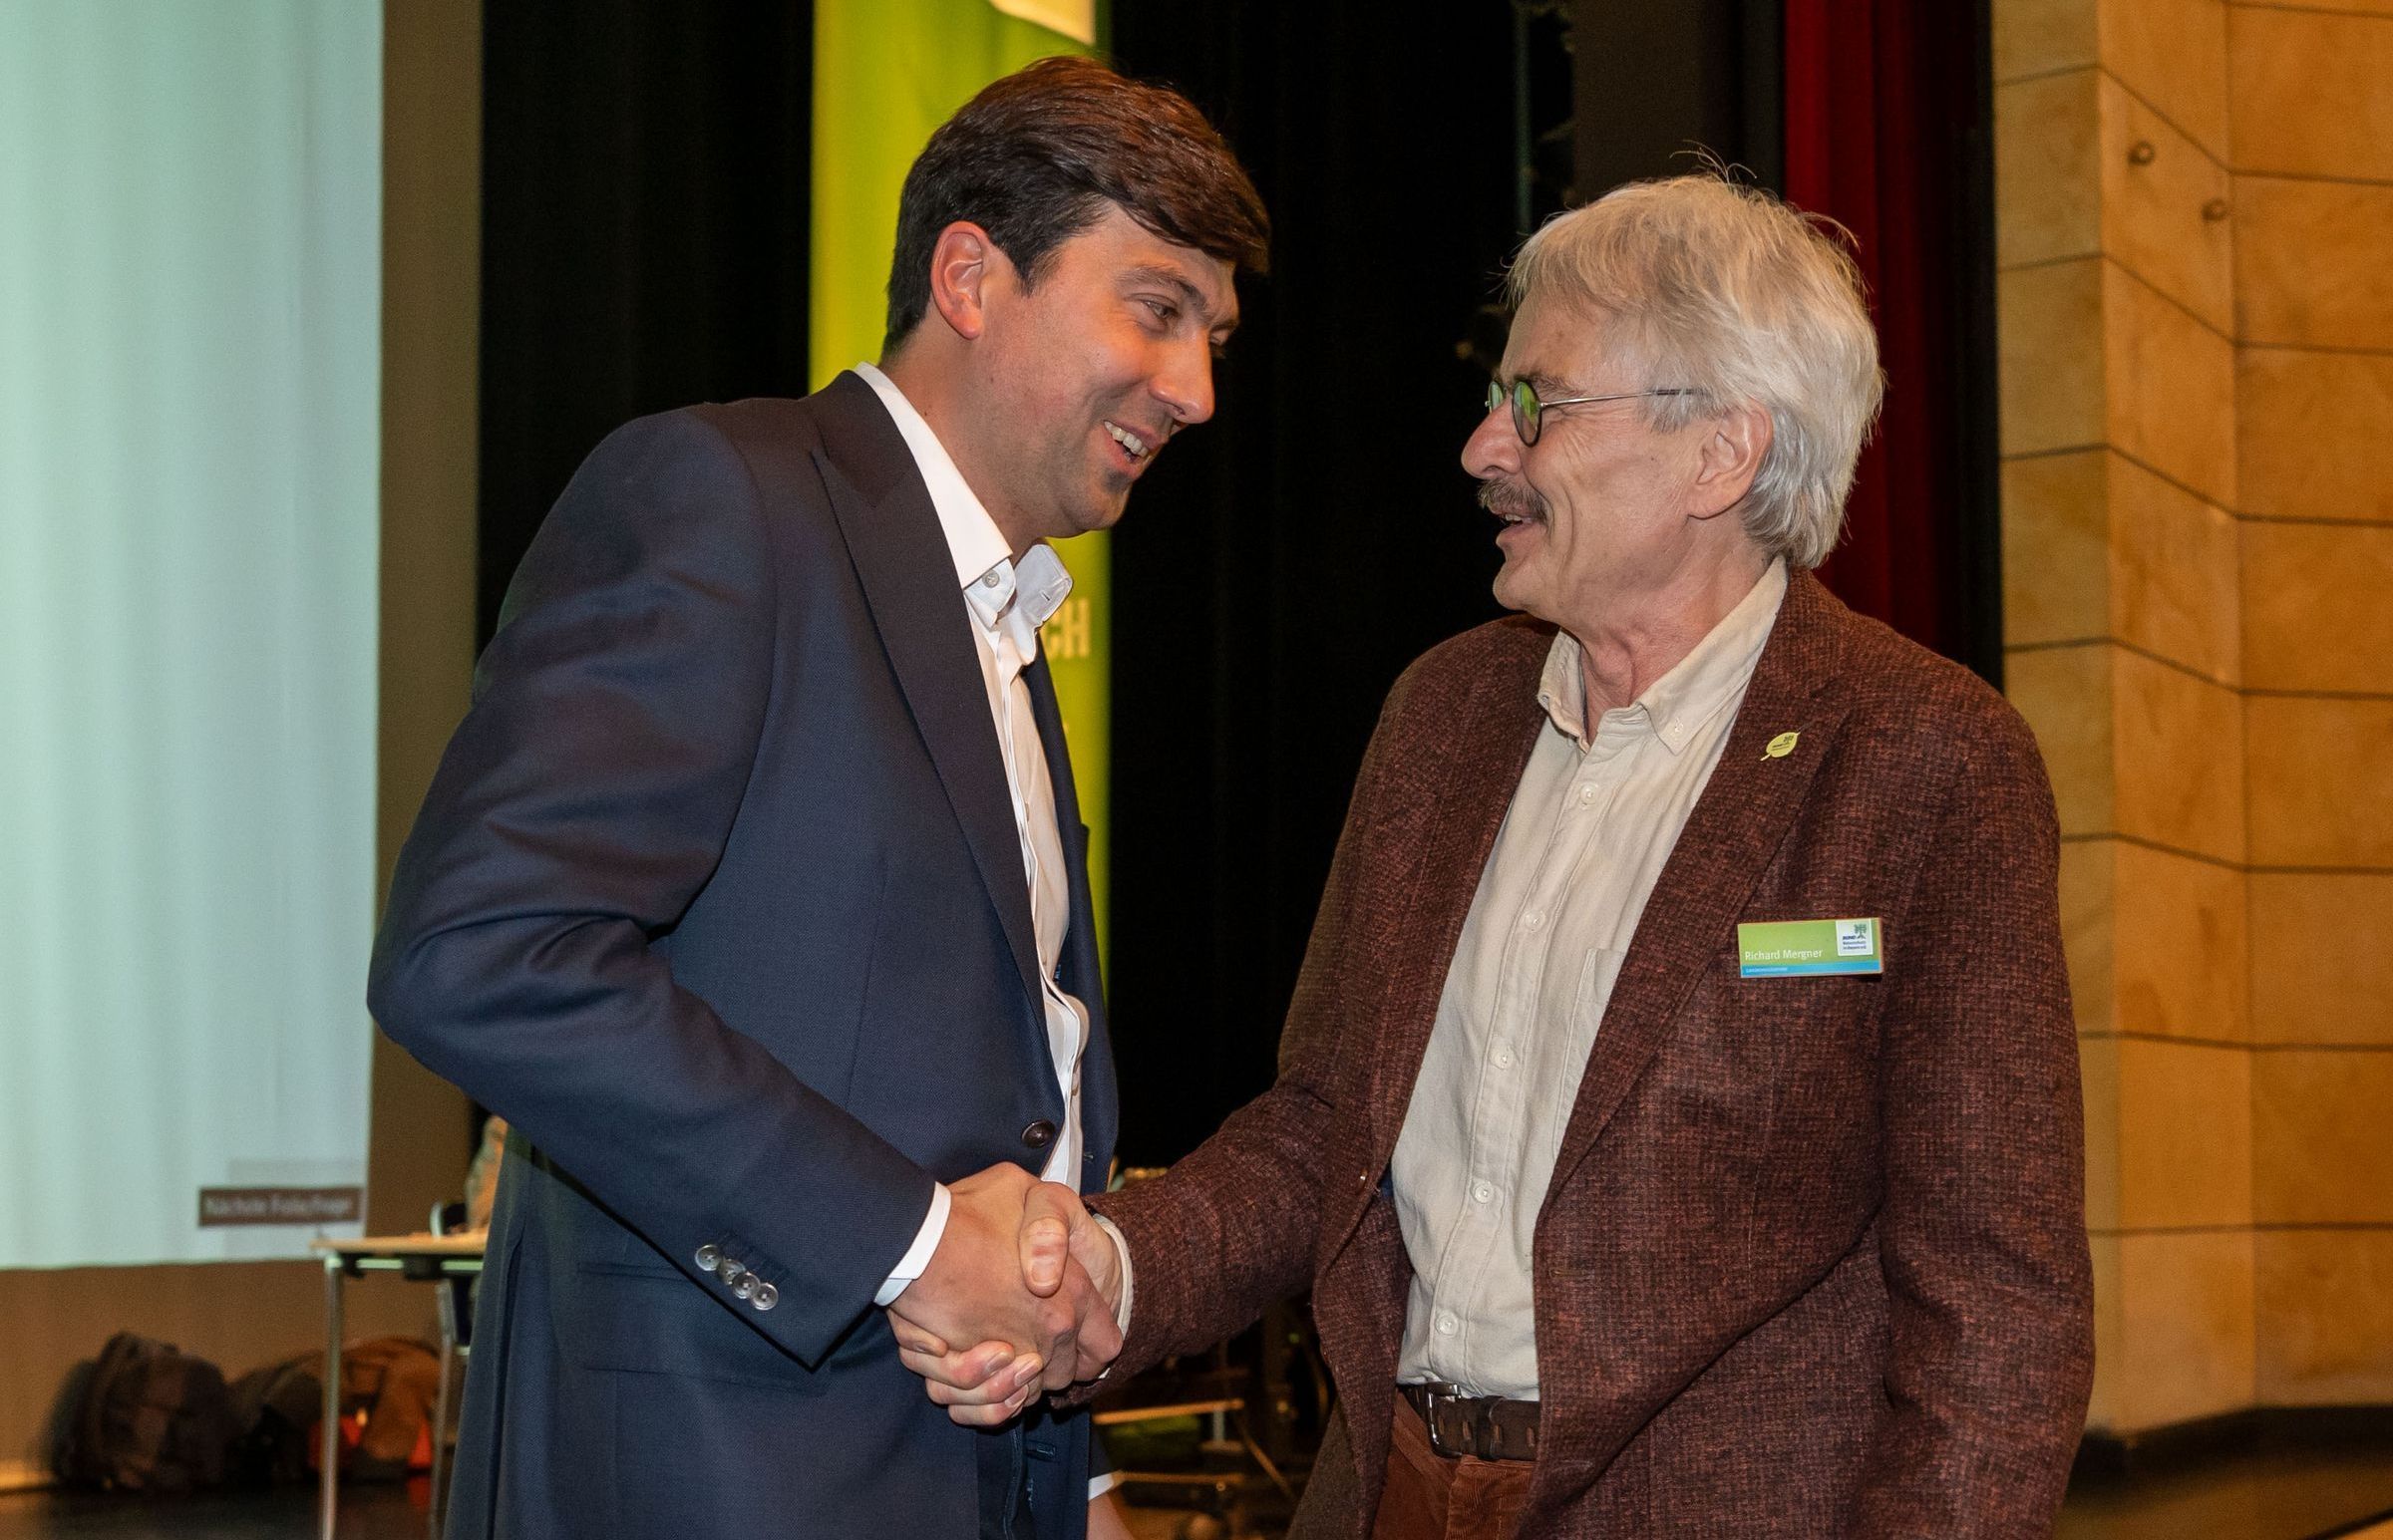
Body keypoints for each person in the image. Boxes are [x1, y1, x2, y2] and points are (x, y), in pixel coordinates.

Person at [902, 173, 2094, 1537]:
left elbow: (1999, 1319)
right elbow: (1321, 1137)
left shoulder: (1923, 761)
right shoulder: (1444, 717)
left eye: (1537, 401)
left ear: (1722, 451)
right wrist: (1107, 1261)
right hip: (1390, 1493)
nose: (1480, 446)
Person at [367, 57, 1266, 1540]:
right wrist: (910, 1244)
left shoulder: (1002, 617)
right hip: (718, 1476)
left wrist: (1072, 1463)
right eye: (1157, 308)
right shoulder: (726, 501)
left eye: (1214, 338)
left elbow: (1008, 1090)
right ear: (972, 276)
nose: (1197, 389)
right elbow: (480, 950)